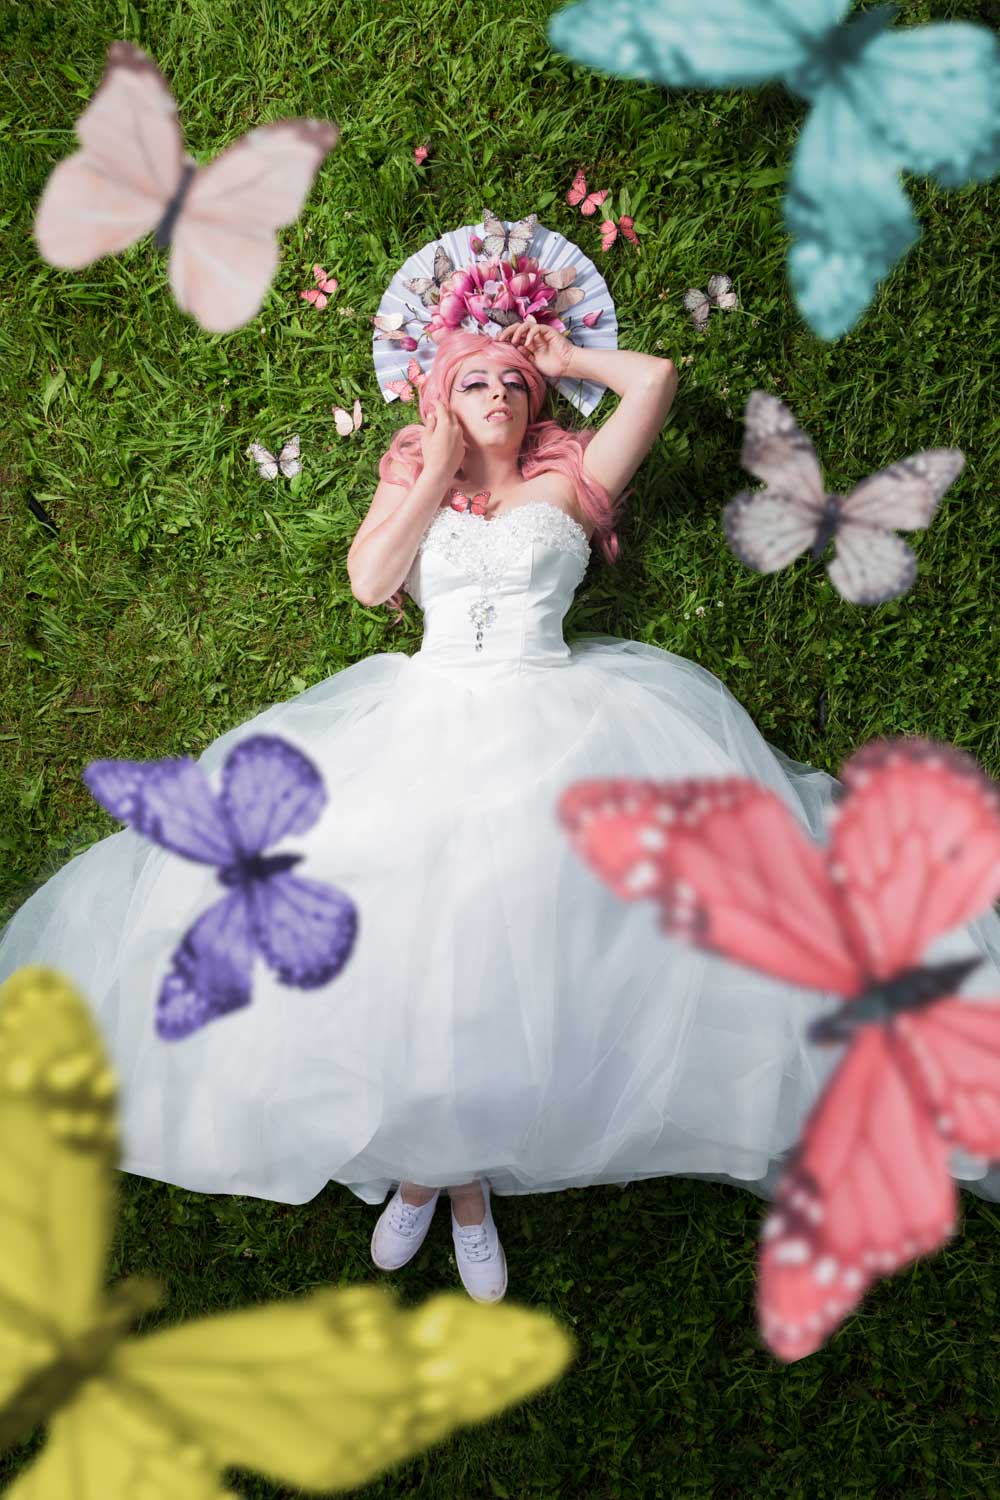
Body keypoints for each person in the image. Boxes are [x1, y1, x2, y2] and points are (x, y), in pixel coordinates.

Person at [3, 253, 1000, 1310]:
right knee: (401, 925)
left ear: (539, 411)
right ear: (441, 392)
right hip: (420, 713)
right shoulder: (414, 475)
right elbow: (372, 582)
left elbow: (655, 380)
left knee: (520, 926)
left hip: (559, 720)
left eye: (514, 387)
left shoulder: (569, 483)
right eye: (476, 379)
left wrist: (568, 355)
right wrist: (431, 470)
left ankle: (451, 1182)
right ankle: (451, 1176)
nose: (497, 395)